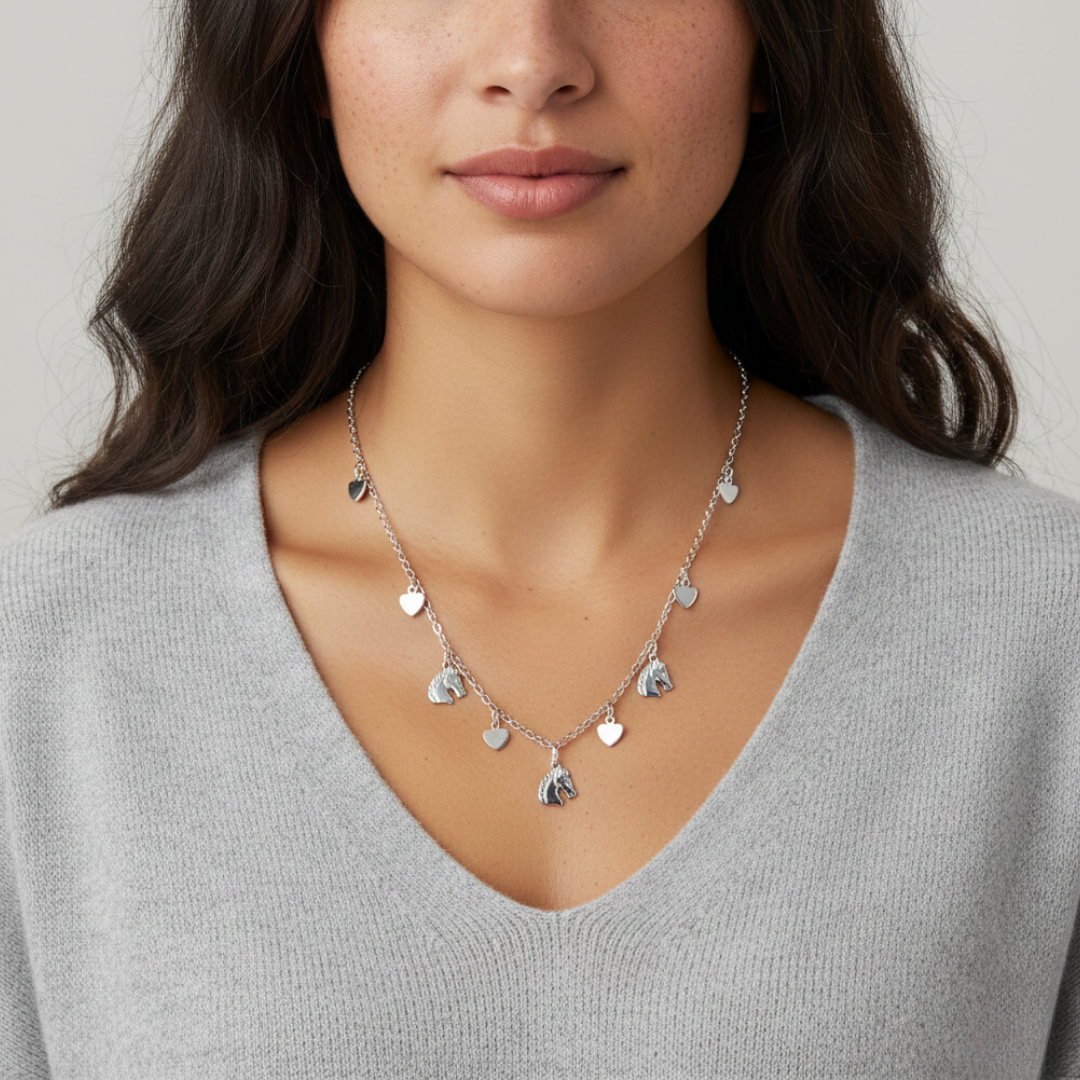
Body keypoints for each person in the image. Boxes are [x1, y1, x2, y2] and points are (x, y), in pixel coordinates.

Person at [1, 0, 1078, 1073]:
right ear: (299, 49)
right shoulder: (48, 655)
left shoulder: (1042, 634)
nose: (533, 63)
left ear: (776, 38)